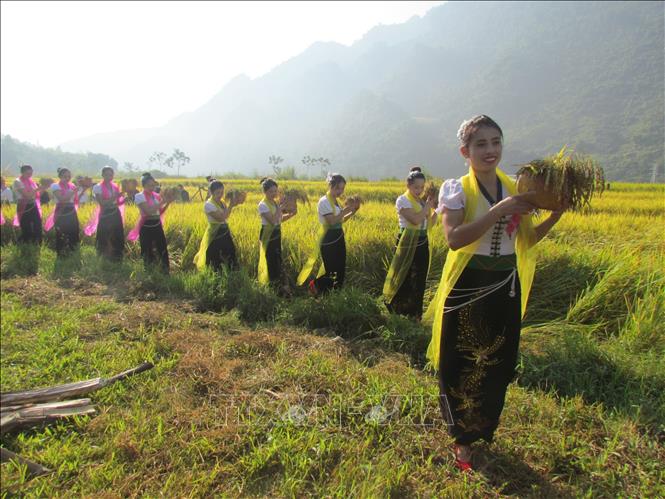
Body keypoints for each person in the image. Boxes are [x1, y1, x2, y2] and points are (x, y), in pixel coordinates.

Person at [423, 115, 563, 471]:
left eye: (496, 142)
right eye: (481, 144)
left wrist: (556, 214)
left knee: (497, 362)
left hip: (505, 286)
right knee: (462, 362)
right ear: (464, 151)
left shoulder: (517, 187)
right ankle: (461, 439)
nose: (490, 150)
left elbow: (527, 241)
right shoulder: (456, 190)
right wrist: (499, 210)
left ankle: (482, 429)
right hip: (468, 285)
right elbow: (454, 239)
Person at [383, 166, 437, 320]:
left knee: (419, 277)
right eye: (416, 187)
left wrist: (438, 209)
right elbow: (415, 220)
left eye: (421, 187)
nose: (419, 190)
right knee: (403, 275)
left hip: (422, 240)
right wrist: (427, 206)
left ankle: (415, 314)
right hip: (406, 242)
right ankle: (398, 310)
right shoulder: (403, 200)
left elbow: (429, 223)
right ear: (408, 185)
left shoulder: (421, 202)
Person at [297, 173, 360, 295]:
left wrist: (353, 211)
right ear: (330, 186)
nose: (340, 191)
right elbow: (331, 221)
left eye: (342, 188)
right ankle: (314, 286)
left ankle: (333, 295)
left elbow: (340, 220)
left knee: (340, 269)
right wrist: (345, 210)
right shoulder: (324, 201)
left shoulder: (335, 201)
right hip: (328, 238)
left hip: (338, 236)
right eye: (337, 188)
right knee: (331, 270)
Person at [257, 177, 297, 287]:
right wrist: (281, 208)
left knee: (277, 259)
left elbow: (279, 220)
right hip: (268, 235)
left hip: (276, 234)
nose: (274, 194)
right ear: (264, 192)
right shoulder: (263, 205)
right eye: (271, 191)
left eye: (275, 191)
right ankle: (272, 285)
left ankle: (279, 285)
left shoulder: (274, 203)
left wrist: (290, 215)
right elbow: (272, 220)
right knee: (270, 259)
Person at [128, 173, 172, 272]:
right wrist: (162, 202)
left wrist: (168, 202)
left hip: (157, 224)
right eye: (149, 186)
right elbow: (147, 211)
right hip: (146, 225)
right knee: (147, 248)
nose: (152, 188)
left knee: (162, 247)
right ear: (143, 186)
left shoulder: (156, 196)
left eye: (153, 185)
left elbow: (159, 212)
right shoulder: (139, 196)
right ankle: (148, 270)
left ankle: (165, 270)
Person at [194, 179, 239, 271]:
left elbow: (226, 216)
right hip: (215, 233)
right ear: (211, 192)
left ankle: (233, 275)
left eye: (222, 192)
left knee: (231, 252)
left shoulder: (222, 202)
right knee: (214, 257)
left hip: (225, 231)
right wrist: (230, 205)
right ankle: (213, 277)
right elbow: (221, 218)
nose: (220, 194)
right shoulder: (208, 204)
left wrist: (231, 205)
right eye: (218, 192)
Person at [87, 166, 125, 261]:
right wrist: (114, 197)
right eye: (107, 174)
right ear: (103, 175)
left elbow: (116, 202)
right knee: (105, 234)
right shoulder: (98, 187)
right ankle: (103, 256)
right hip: (105, 214)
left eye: (111, 174)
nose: (109, 176)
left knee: (117, 233)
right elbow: (102, 203)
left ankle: (116, 255)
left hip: (115, 212)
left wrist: (124, 198)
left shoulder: (115, 186)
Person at [45, 167, 80, 257]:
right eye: (65, 176)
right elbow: (62, 199)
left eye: (69, 176)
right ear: (60, 176)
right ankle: (61, 253)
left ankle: (73, 251)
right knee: (61, 231)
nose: (67, 178)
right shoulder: (55, 185)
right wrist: (73, 191)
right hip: (61, 210)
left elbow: (75, 199)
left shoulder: (71, 185)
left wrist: (83, 189)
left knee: (74, 230)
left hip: (71, 210)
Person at [12, 165, 42, 244]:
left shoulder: (31, 181)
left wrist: (43, 188)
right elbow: (27, 195)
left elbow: (36, 194)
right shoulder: (18, 181)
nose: (30, 175)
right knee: (26, 227)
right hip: (23, 205)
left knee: (37, 225)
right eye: (28, 173)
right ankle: (23, 245)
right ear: (22, 172)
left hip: (33, 205)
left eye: (31, 173)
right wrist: (38, 189)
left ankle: (37, 244)